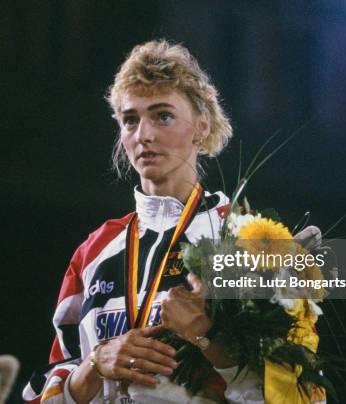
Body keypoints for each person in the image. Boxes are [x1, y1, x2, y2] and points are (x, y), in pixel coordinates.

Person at [23, 39, 277, 404]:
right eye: (130, 120)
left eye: (162, 115)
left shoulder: (246, 237)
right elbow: (46, 390)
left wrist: (205, 337)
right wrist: (95, 362)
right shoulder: (94, 250)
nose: (143, 135)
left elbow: (292, 392)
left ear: (201, 126)